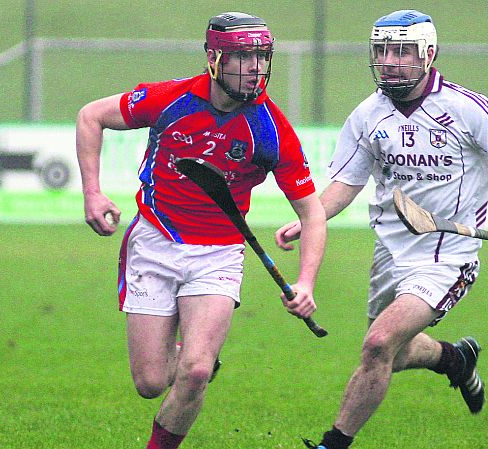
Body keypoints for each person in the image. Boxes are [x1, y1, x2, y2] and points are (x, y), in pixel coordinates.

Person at [275, 10, 488, 449]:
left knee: (378, 344)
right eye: (383, 50)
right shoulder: (368, 115)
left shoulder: (464, 107)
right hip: (390, 252)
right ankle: (453, 358)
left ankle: (333, 443)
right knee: (389, 355)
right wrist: (309, 218)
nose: (390, 60)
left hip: (448, 254)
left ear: (428, 54)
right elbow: (346, 184)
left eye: (401, 51)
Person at [75, 11, 327, 449]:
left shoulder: (271, 129)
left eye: (261, 57)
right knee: (151, 381)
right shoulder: (171, 99)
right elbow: (89, 117)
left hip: (219, 252)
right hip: (154, 240)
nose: (254, 69)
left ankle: (196, 367)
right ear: (214, 59)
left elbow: (313, 214)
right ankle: (199, 357)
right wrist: (92, 193)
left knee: (192, 373)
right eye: (242, 58)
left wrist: (306, 281)